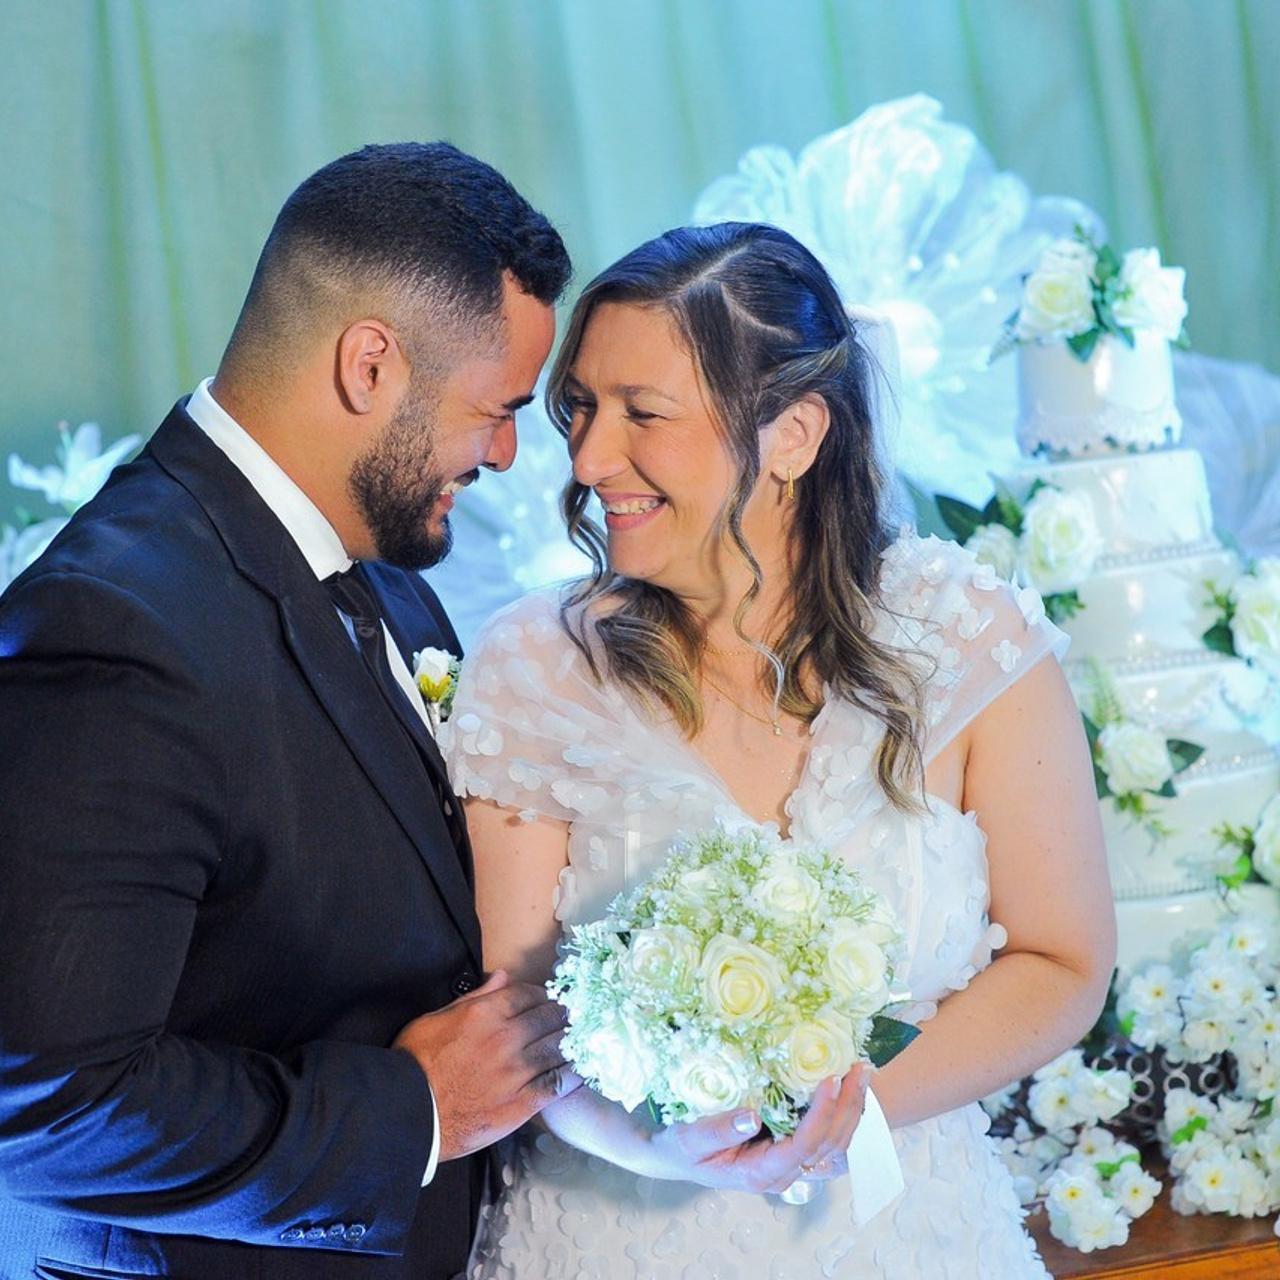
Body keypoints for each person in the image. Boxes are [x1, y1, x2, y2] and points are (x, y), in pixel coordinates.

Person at [444, 221, 1117, 1276]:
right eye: (580, 407)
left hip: (909, 1237)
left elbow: (1062, 959)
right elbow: (518, 1020)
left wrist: (845, 1109)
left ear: (794, 435)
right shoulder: (534, 665)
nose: (588, 459)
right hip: (617, 1240)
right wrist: (666, 1146)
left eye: (642, 413)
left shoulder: (966, 637)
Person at [0, 142, 576, 1278]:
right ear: (370, 365)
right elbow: (48, 1100)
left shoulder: (387, 579)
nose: (509, 453)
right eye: (494, 409)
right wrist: (412, 1114)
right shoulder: (112, 627)